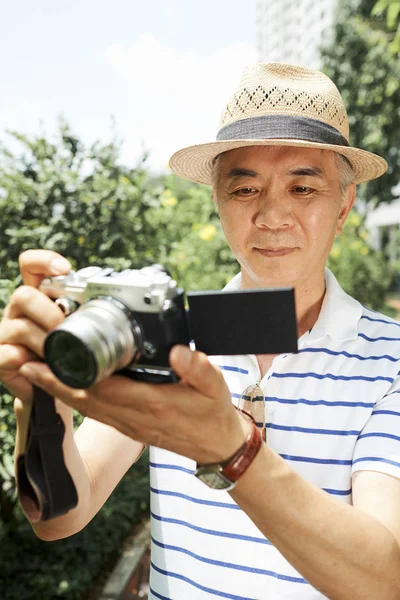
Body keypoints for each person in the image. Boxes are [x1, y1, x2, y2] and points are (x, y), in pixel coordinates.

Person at [0, 62, 399, 600]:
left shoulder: (391, 361)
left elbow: (384, 579)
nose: (273, 213)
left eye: (304, 187)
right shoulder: (164, 334)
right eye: (245, 189)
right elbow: (59, 516)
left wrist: (233, 451)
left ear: (344, 205)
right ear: (217, 201)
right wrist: (39, 395)